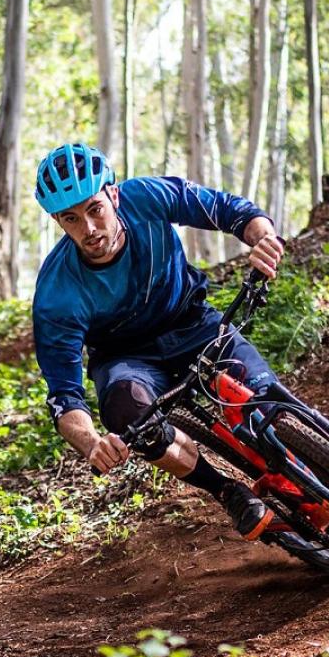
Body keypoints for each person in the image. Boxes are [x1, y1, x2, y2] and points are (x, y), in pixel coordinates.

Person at [32, 142, 286, 540]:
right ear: (58, 222)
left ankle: (318, 463)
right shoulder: (56, 293)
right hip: (126, 359)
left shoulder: (148, 197)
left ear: (113, 195)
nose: (90, 229)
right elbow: (64, 397)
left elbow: (230, 210)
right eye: (71, 219)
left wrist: (264, 238)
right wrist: (92, 442)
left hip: (192, 323)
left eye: (95, 209)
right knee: (125, 410)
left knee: (265, 398)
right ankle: (226, 490)